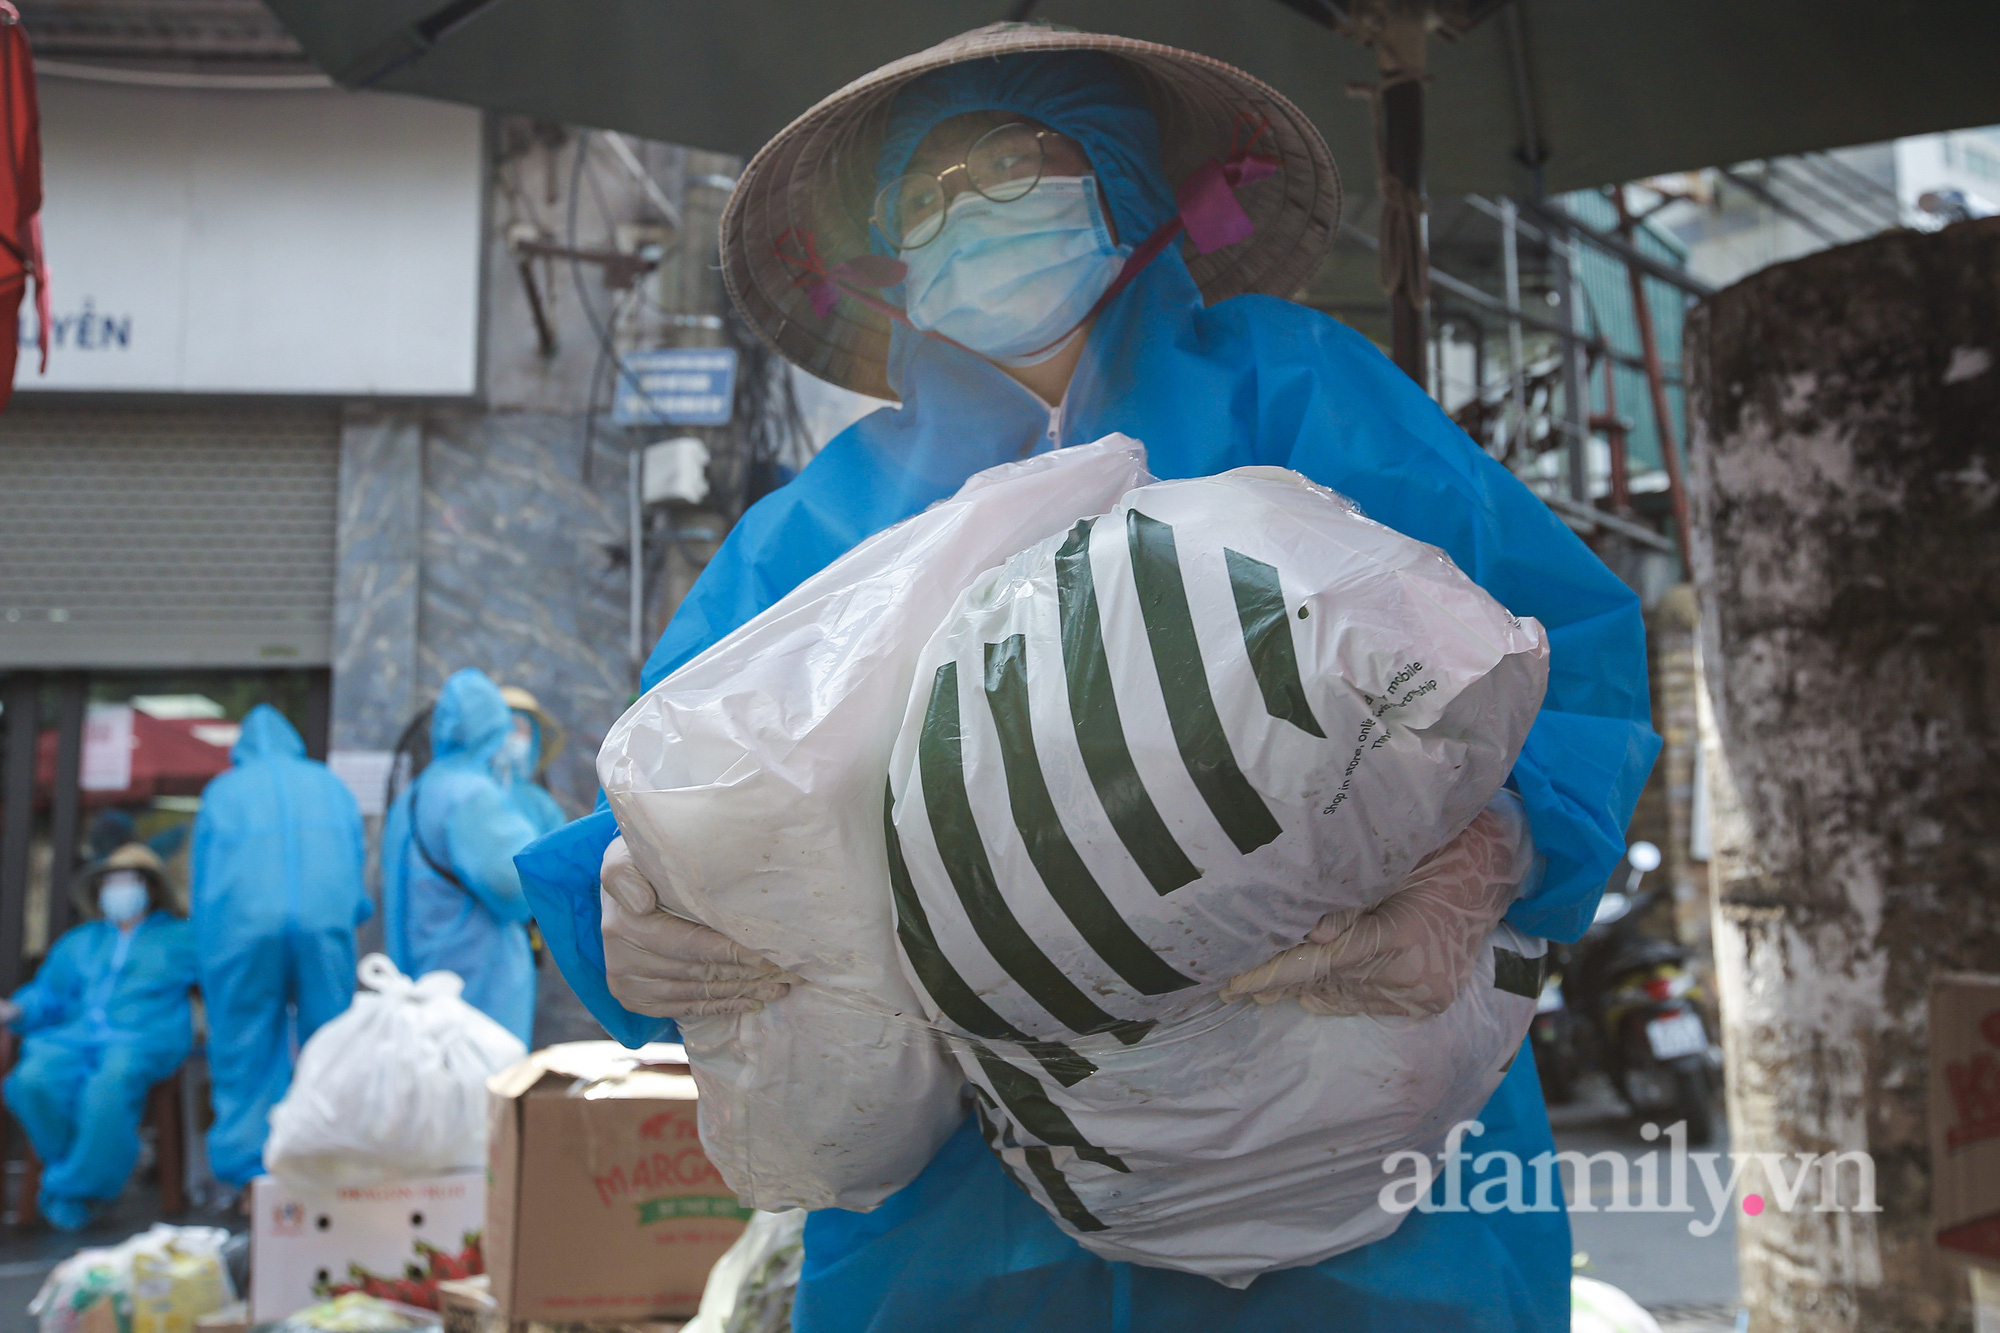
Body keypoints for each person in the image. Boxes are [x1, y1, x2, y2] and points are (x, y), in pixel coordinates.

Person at [520, 25, 1660, 1333]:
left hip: (1371, 1222)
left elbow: (1560, 657)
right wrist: (633, 901)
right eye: (926, 196)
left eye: (1010, 164)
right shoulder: (820, 525)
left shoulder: (1298, 392)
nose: (963, 212)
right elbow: (676, 783)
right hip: (957, 1244)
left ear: (1118, 179)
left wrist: (1494, 853)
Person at [190, 704, 370, 1193]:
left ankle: (251, 1179)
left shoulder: (223, 792)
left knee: (244, 1046)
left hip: (242, 932)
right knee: (329, 1046)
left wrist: (203, 950)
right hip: (324, 926)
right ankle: (330, 1161)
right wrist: (348, 913)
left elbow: (204, 884)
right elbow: (355, 866)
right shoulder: (329, 785)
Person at [0, 844, 196, 1230]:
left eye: (129, 881)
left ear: (151, 888)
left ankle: (75, 1190)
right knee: (31, 1080)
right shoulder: (81, 941)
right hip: (72, 1037)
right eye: (112, 881)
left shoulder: (183, 938)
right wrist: (18, 1009)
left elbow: (224, 984)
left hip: (144, 1037)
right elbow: (50, 994)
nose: (119, 889)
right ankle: (83, 1177)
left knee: (108, 1086)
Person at [383, 669, 539, 1043]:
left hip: (419, 981)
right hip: (474, 989)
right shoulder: (473, 796)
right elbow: (518, 886)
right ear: (493, 728)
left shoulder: (415, 793)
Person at [496, 686, 568, 837]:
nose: (511, 735)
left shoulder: (541, 804)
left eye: (520, 727)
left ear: (534, 738)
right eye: (506, 726)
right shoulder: (470, 789)